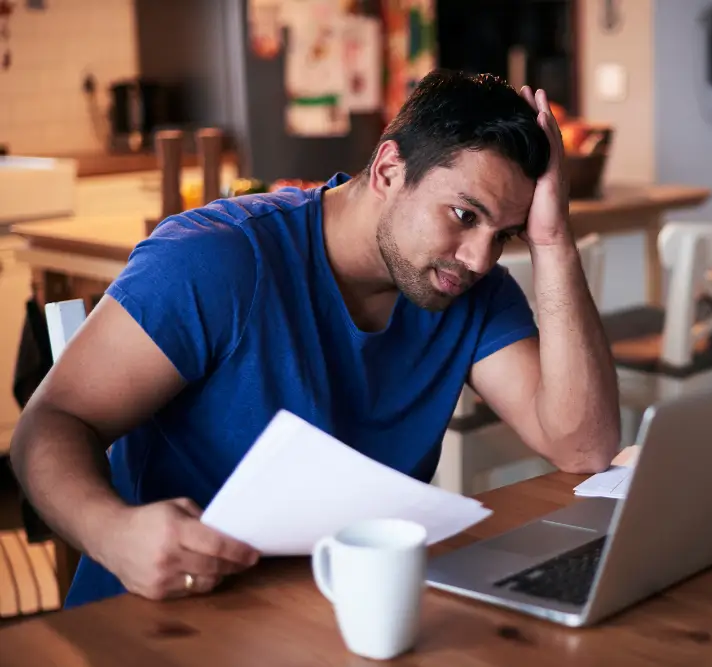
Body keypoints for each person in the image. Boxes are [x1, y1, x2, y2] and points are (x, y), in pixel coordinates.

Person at [9, 70, 621, 608]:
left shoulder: (464, 286)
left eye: (504, 234)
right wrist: (113, 531)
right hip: (163, 613)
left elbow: (583, 448)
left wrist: (552, 240)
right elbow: (53, 420)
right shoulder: (217, 259)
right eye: (464, 214)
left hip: (334, 611)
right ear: (387, 170)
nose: (481, 258)